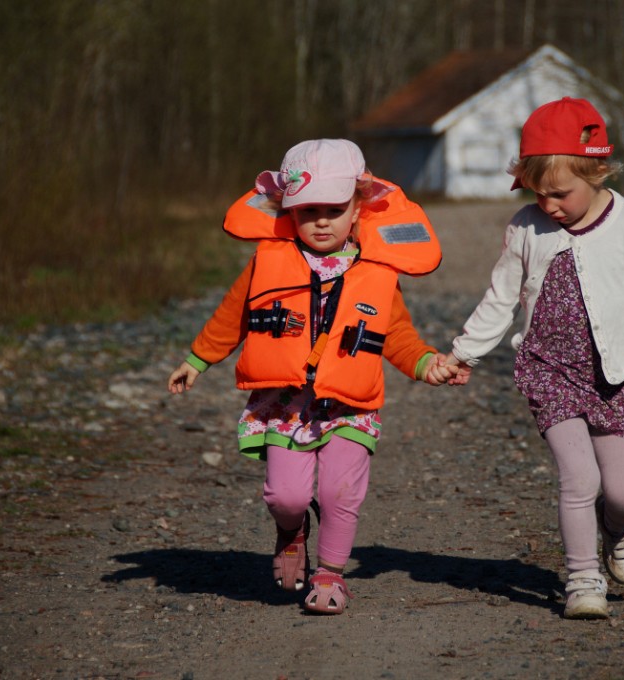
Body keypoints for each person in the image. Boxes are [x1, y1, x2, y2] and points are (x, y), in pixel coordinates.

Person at [168, 139, 456, 615]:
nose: (321, 220)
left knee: (340, 492)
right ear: (288, 210)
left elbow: (397, 335)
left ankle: (330, 575)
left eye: (334, 209)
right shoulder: (269, 260)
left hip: (350, 405)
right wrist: (198, 360)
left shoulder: (378, 271)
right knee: (287, 496)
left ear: (359, 208)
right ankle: (291, 530)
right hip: (284, 404)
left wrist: (427, 364)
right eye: (308, 211)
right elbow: (232, 316)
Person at [442, 98, 624, 619]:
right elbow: (501, 298)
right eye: (539, 194)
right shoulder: (526, 229)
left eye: (560, 193)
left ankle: (618, 528)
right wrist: (464, 352)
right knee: (580, 479)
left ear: (597, 171)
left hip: (617, 376)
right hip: (549, 372)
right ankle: (582, 580)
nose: (549, 205)